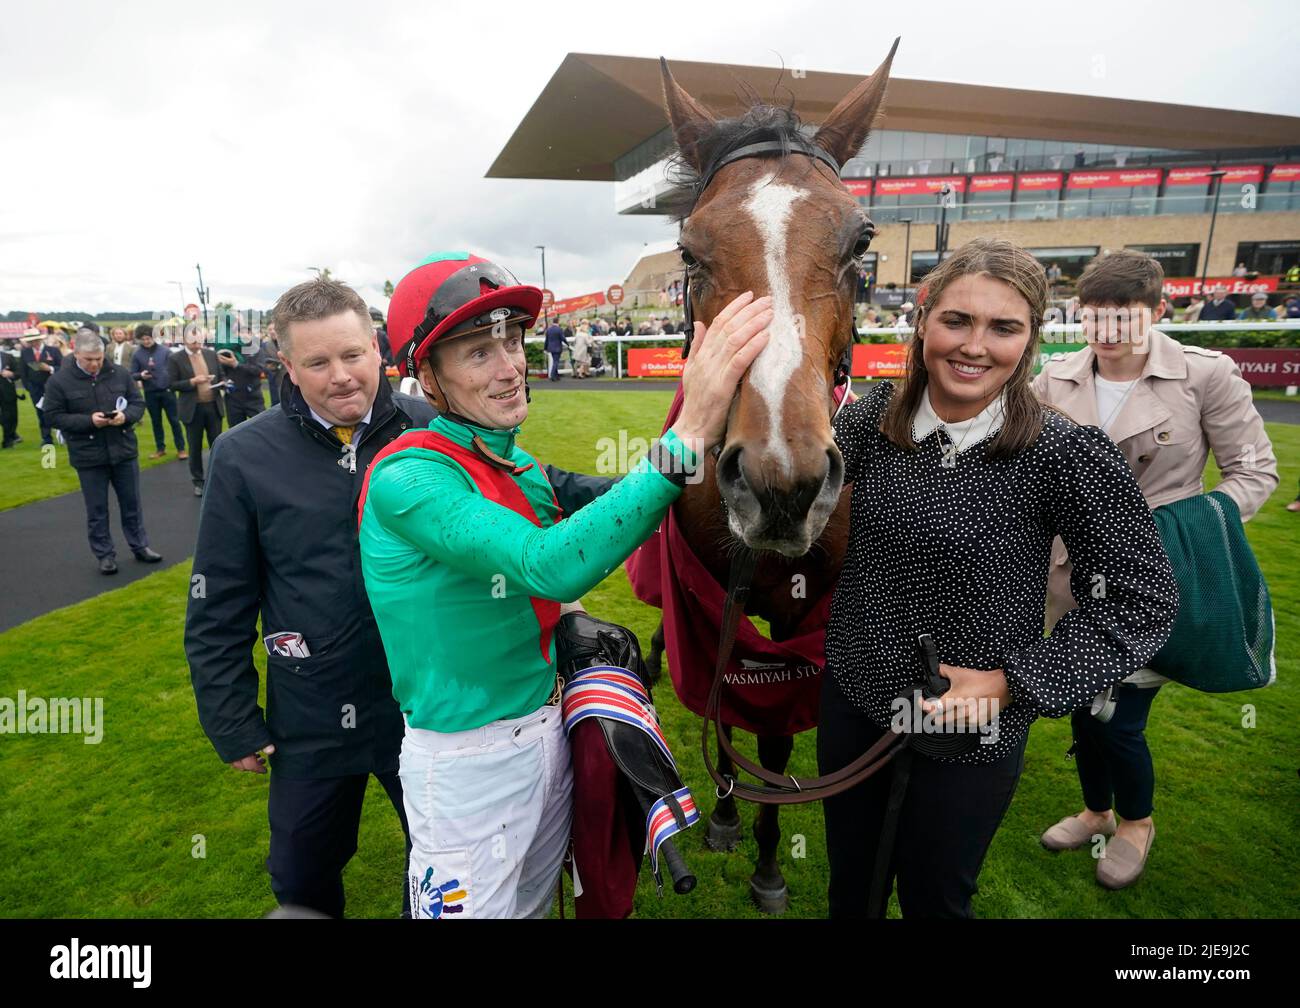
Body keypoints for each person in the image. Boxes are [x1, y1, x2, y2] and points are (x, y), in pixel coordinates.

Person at [186, 275, 626, 919]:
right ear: (287, 366)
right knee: (303, 873)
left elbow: (540, 485)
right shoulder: (242, 455)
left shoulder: (430, 424)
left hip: (425, 708)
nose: (340, 376)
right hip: (313, 708)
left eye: (353, 355)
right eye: (317, 362)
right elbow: (218, 599)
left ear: (378, 348)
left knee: (442, 868)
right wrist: (230, 717)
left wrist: (643, 487)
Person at [360, 252, 770, 919]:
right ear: (427, 380)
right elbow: (549, 563)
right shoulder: (407, 478)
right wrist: (689, 426)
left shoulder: (511, 460)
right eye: (476, 352)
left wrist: (727, 441)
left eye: (510, 340)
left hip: (545, 735)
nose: (509, 365)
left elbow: (626, 502)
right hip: (464, 766)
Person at [821, 238, 1179, 918]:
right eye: (957, 320)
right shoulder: (868, 420)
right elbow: (790, 517)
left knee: (937, 902)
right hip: (855, 702)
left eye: (1003, 327)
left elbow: (1142, 599)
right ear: (923, 321)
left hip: (974, 734)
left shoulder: (1065, 452)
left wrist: (1016, 680)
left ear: (1031, 340)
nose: (974, 345)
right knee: (851, 892)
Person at [1034, 251, 1277, 888]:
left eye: (1125, 319)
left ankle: (1136, 823)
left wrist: (1178, 536)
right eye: (1095, 318)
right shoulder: (1054, 378)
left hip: (1154, 579)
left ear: (1158, 311)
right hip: (1069, 578)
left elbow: (1254, 472)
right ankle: (1096, 811)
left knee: (1118, 717)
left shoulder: (1207, 375)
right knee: (1079, 708)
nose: (1108, 333)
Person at [40, 329, 163, 573]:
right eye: (89, 359)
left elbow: (138, 403)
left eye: (98, 358)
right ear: (76, 354)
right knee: (97, 509)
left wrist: (125, 417)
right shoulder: (59, 381)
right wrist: (89, 421)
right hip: (88, 455)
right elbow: (52, 417)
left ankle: (140, 546)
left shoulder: (119, 373)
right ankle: (105, 554)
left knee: (132, 504)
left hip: (123, 449)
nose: (95, 364)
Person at [167, 327, 225, 496]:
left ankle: (219, 478)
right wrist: (193, 381)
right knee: (195, 447)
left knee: (217, 445)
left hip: (213, 406)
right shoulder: (175, 358)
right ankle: (198, 481)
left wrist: (222, 383)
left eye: (200, 341)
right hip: (192, 409)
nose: (197, 345)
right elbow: (171, 384)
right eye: (193, 342)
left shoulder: (210, 354)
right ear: (185, 341)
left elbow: (221, 375)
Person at [131, 323, 186, 460]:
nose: (146, 341)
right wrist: (140, 376)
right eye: (143, 339)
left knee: (174, 421)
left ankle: (181, 449)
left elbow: (174, 370)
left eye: (148, 338)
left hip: (167, 391)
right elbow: (132, 374)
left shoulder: (165, 352)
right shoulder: (137, 354)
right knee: (156, 422)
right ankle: (160, 448)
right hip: (150, 392)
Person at [18, 328, 61, 444]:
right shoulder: (25, 352)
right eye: (31, 341)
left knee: (55, 411)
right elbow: (23, 371)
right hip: (35, 389)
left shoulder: (53, 351)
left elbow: (62, 368)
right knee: (40, 413)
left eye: (36, 340)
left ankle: (62, 434)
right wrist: (28, 387)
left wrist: (50, 369)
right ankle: (46, 438)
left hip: (53, 388)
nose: (34, 343)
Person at [217, 347, 266, 427]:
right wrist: (224, 381)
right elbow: (220, 372)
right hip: (233, 398)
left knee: (261, 427)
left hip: (253, 397)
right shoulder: (227, 349)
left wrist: (236, 364)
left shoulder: (255, 350)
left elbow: (258, 370)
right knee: (235, 430)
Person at [253, 324, 284, 406]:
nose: (272, 331)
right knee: (276, 406)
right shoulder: (265, 345)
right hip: (274, 380)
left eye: (274, 329)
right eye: (270, 329)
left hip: (289, 378)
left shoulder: (288, 343)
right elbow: (263, 362)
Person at [0, 337, 22, 447]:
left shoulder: (8, 357)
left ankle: (8, 440)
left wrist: (11, 374)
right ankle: (12, 435)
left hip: (7, 391)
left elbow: (18, 372)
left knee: (11, 416)